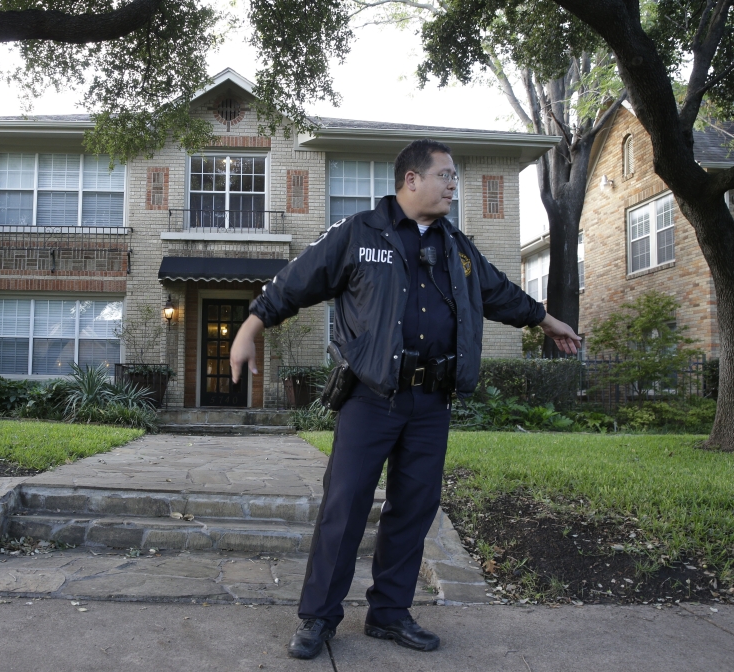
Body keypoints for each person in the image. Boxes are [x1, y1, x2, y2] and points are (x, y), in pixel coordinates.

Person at [229, 139, 580, 659]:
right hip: (370, 400)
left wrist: (547, 320)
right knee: (344, 508)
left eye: (455, 177)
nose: (453, 185)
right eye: (445, 176)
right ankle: (318, 618)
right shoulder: (358, 233)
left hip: (431, 403)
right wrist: (248, 328)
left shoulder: (457, 246)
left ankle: (389, 614)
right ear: (411, 179)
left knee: (413, 509)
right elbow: (295, 282)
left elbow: (498, 292)